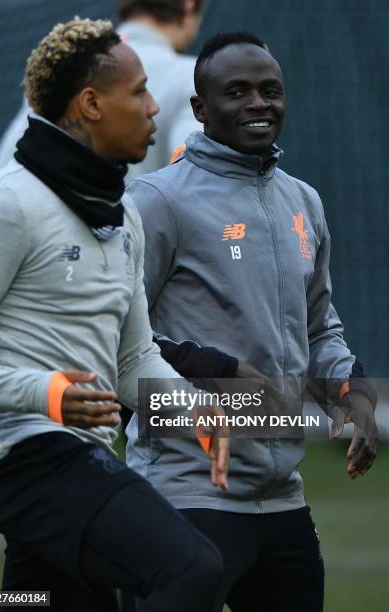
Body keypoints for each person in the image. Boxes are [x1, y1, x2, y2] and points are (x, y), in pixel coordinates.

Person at [0, 18, 229, 612]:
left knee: (33, 601)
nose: (152, 107)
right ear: (90, 104)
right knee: (191, 570)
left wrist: (194, 410)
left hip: (79, 454)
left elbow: (134, 358)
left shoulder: (124, 218)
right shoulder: (7, 206)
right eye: (139, 92)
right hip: (19, 456)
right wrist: (48, 393)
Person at [125, 31, 378, 611]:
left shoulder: (304, 202)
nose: (257, 104)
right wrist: (216, 370)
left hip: (283, 498)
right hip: (186, 493)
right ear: (199, 108)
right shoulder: (157, 201)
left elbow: (319, 328)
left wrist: (351, 388)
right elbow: (118, 330)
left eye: (270, 91)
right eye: (236, 92)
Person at [0, 0, 206, 179]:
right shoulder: (192, 75)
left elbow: (0, 174)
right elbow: (195, 177)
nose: (152, 107)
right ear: (189, 4)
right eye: (139, 92)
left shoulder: (63, 64)